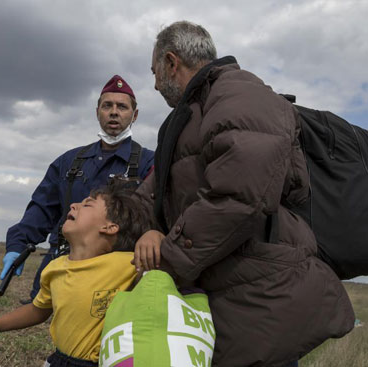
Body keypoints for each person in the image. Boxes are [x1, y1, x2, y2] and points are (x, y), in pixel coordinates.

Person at [131, 21, 355, 366]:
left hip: (259, 302)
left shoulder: (238, 94)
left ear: (172, 62)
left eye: (155, 72)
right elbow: (156, 191)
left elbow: (239, 195)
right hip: (227, 298)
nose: (155, 84)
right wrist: (144, 225)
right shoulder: (191, 114)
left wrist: (169, 257)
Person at [0, 75, 155, 304]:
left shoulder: (149, 163)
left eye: (122, 106)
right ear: (97, 112)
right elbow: (42, 208)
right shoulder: (68, 162)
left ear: (135, 115)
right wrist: (18, 243)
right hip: (64, 263)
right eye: (107, 105)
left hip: (116, 274)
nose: (114, 112)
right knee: (61, 334)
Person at [0, 185, 150, 366]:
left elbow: (170, 264)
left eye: (88, 204)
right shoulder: (55, 267)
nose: (73, 205)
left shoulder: (130, 263)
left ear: (110, 227)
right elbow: (38, 310)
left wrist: (154, 236)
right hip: (59, 359)